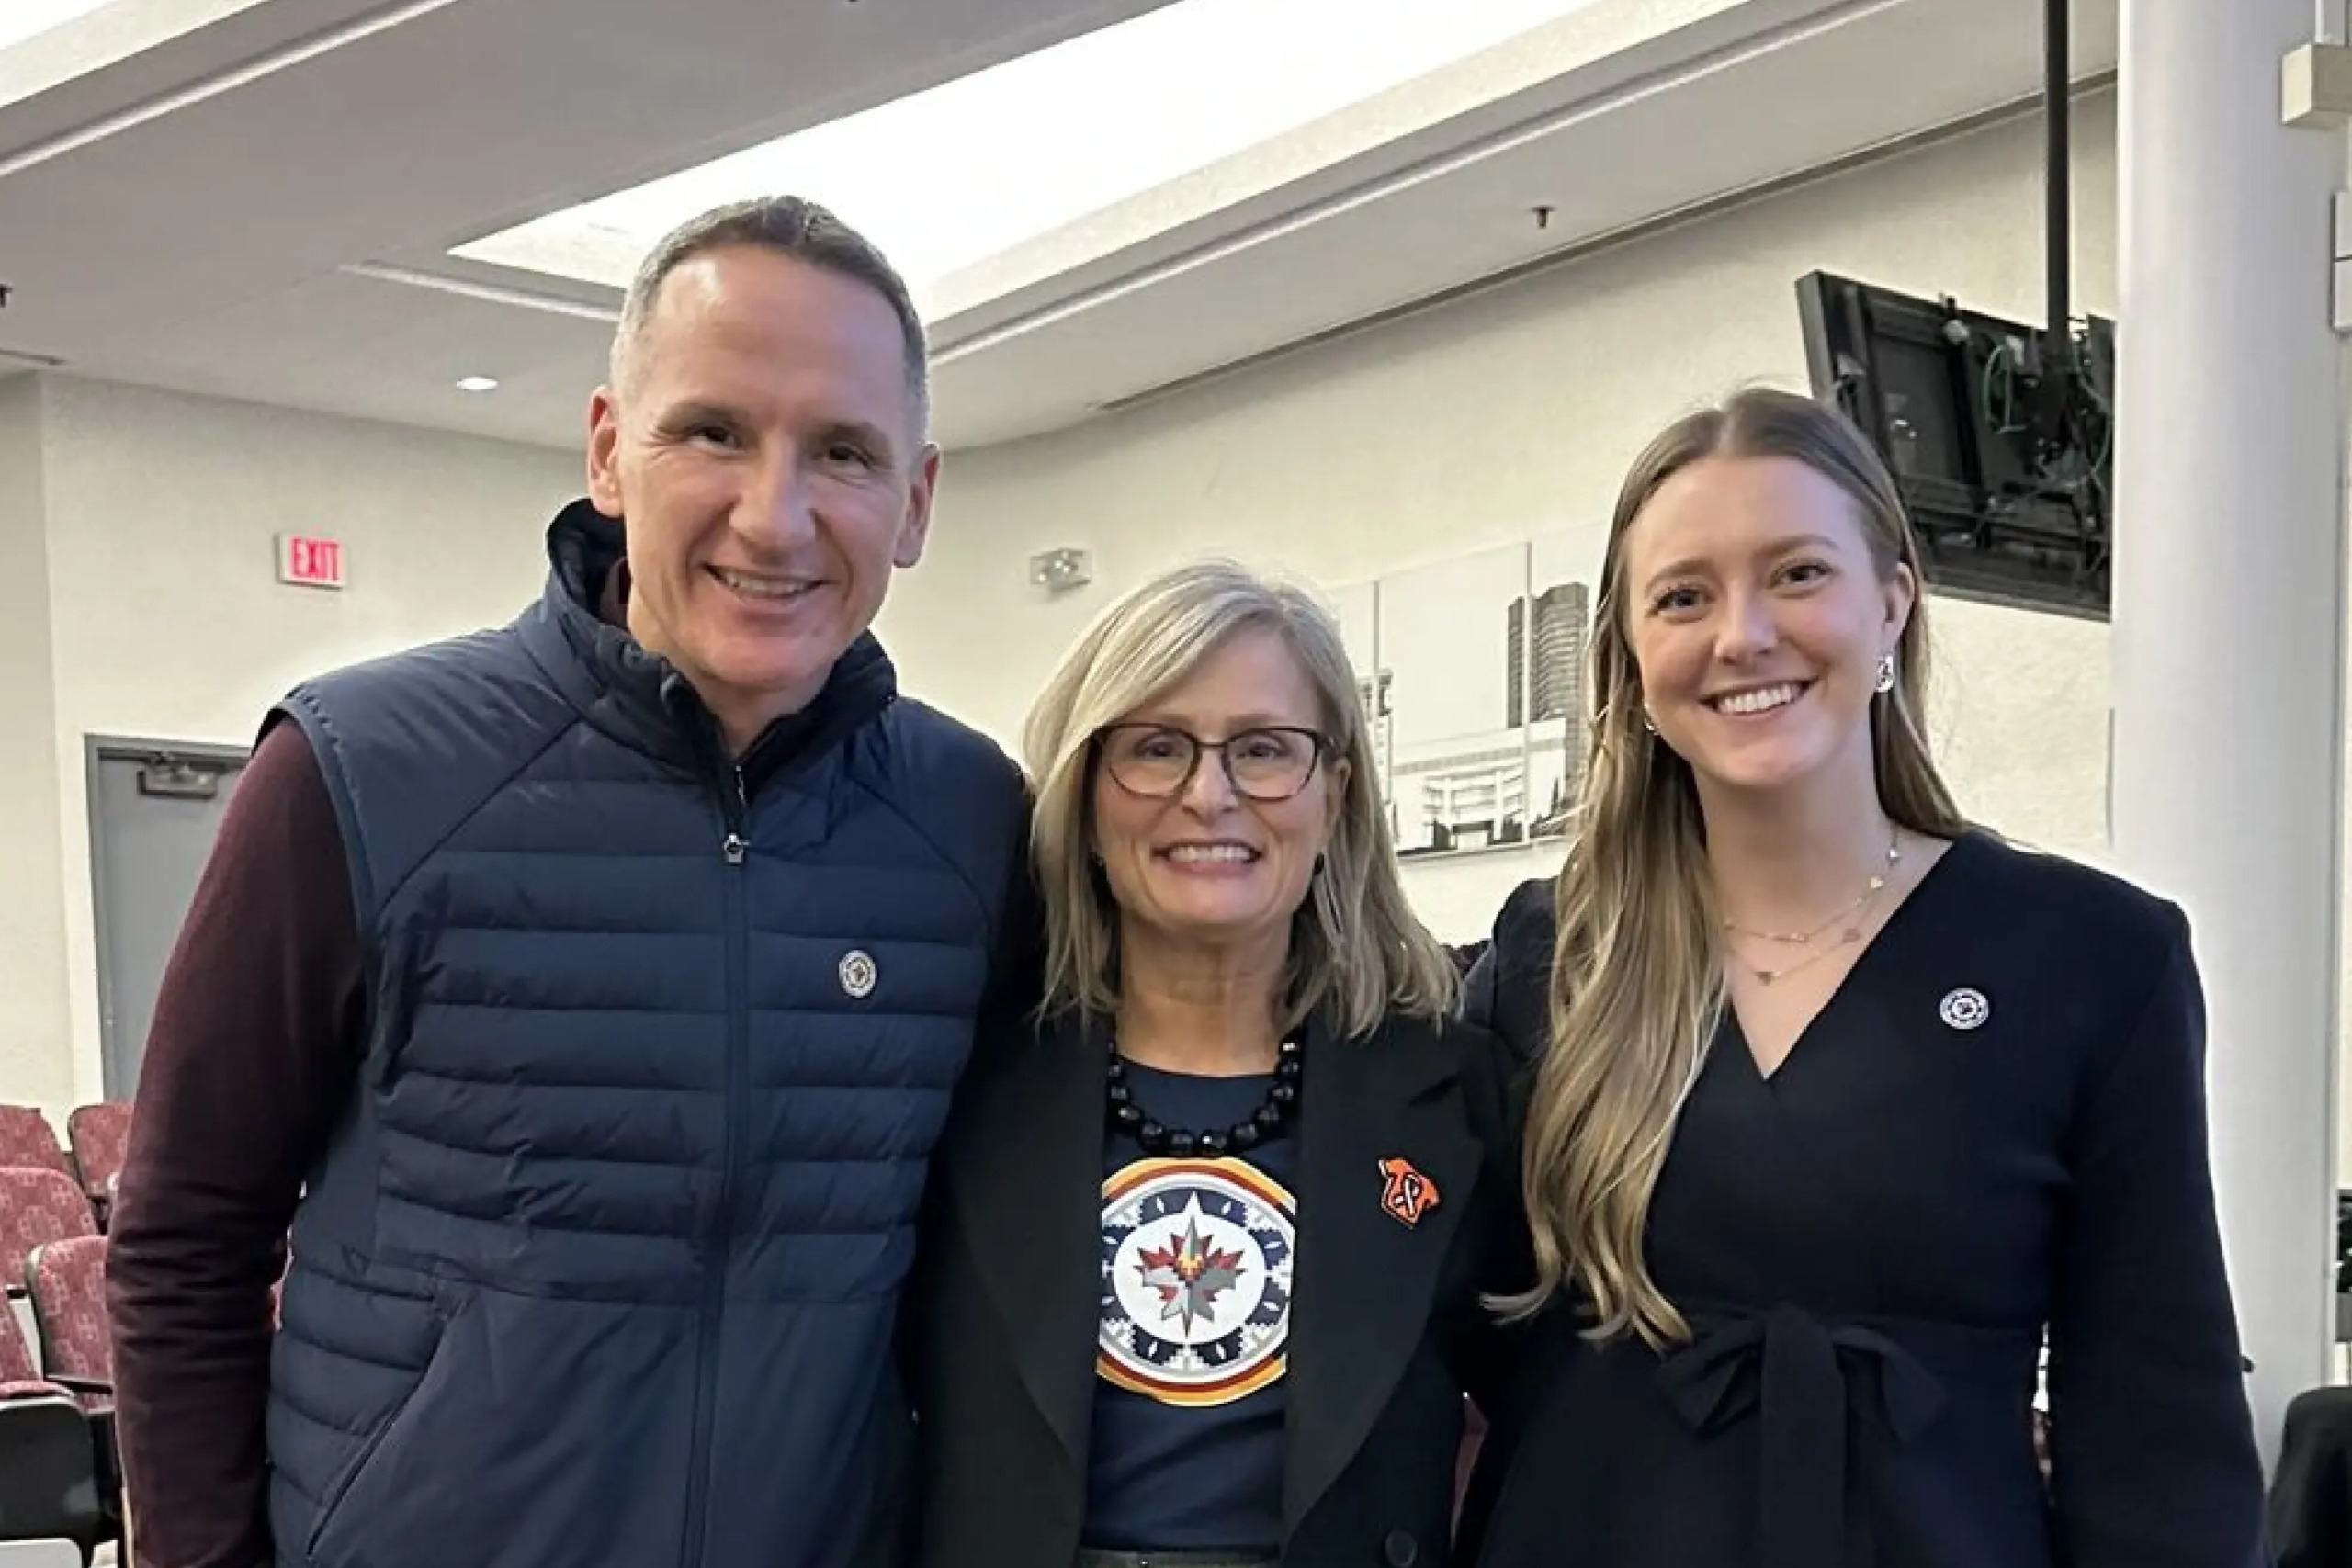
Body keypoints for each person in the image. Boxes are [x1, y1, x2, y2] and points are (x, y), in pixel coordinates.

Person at [104, 196, 1033, 1568]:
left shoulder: (971, 819)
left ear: (917, 501)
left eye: (842, 451)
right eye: (712, 431)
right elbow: (186, 1234)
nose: (774, 516)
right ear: (608, 449)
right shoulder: (359, 770)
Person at [1454, 386, 2268, 1568]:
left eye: (1797, 574)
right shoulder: (1548, 956)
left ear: (1892, 602)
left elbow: (2162, 1433)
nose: (1742, 635)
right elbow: (1435, 1333)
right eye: (1683, 596)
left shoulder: (2092, 957)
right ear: (1629, 658)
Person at [905, 559, 1524, 1568]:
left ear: (1334, 794)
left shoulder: (1459, 1098)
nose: (1209, 794)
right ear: (1087, 797)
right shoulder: (958, 1085)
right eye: (1156, 748)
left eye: (1264, 749)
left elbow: (1549, 1422)